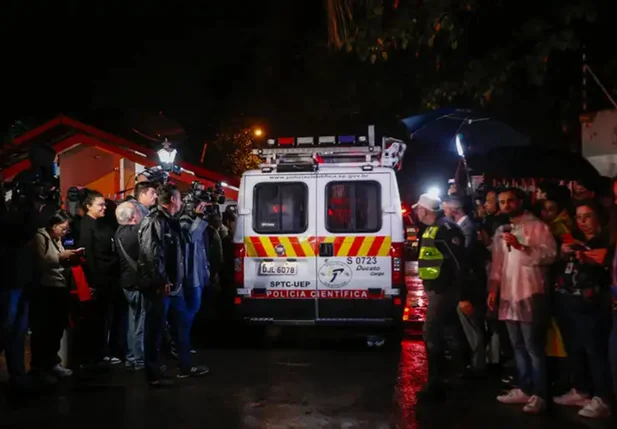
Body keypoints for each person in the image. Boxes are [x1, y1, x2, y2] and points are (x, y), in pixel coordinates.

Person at [488, 188, 557, 414]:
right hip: (508, 295)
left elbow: (550, 255)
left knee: (533, 347)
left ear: (520, 202)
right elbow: (497, 264)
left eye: (510, 201)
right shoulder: (501, 230)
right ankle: (524, 387)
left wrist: (522, 246)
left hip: (530, 293)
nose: (506, 206)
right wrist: (493, 289)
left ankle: (541, 393)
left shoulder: (537, 227)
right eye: (502, 202)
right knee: (517, 345)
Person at [138, 183, 208, 387]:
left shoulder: (171, 221)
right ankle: (153, 375)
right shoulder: (154, 222)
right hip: (162, 286)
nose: (182, 201)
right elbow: (151, 254)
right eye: (179, 198)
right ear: (172, 200)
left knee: (181, 324)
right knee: (155, 329)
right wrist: (162, 280)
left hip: (173, 285)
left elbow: (186, 239)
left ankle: (185, 366)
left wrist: (197, 217)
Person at [552, 200, 613, 418]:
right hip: (567, 302)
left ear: (599, 217)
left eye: (587, 216)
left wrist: (595, 258)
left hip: (593, 305)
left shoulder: (607, 242)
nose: (583, 221)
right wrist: (562, 254)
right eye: (578, 217)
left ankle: (603, 397)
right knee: (574, 348)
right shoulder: (573, 241)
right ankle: (581, 389)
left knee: (596, 351)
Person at [414, 193, 470, 401]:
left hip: (445, 291)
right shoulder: (434, 228)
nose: (416, 212)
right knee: (449, 332)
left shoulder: (445, 229)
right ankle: (454, 376)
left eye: (418, 209)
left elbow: (459, 263)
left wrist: (463, 295)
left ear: (424, 210)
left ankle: (436, 382)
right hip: (438, 289)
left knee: (431, 333)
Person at [29, 210, 82, 383]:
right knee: (44, 329)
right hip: (46, 288)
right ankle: (40, 367)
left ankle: (53, 363)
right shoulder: (40, 237)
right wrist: (61, 256)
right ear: (54, 226)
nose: (65, 232)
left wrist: (70, 256)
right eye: (63, 228)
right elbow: (41, 261)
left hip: (59, 287)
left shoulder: (57, 239)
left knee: (57, 327)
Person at [78, 189, 121, 366]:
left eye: (104, 204)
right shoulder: (86, 227)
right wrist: (91, 283)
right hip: (98, 279)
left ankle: (101, 352)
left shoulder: (103, 224)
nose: (104, 207)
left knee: (105, 317)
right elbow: (88, 257)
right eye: (100, 205)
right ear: (88, 206)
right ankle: (95, 355)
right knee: (96, 319)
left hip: (108, 277)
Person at [444, 197, 486, 376]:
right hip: (464, 285)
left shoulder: (466, 228)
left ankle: (479, 365)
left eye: (446, 210)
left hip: (469, 285)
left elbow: (463, 258)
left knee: (473, 326)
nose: (444, 214)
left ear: (454, 211)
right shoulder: (463, 226)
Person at [115, 202, 145, 371]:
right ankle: (140, 360)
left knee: (132, 321)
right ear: (133, 216)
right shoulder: (133, 233)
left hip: (127, 283)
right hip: (137, 284)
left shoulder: (119, 232)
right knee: (140, 323)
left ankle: (131, 357)